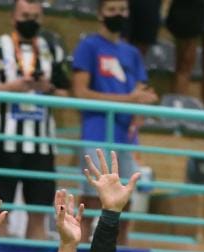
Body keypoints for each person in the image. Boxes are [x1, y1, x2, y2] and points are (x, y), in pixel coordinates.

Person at [0, 0, 70, 241]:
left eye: (35, 17)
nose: (30, 21)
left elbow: (67, 94)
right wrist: (11, 88)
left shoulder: (53, 49)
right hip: (3, 141)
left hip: (42, 144)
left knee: (38, 213)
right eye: (25, 16)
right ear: (13, 17)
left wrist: (48, 88)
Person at [71, 0, 154, 222]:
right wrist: (128, 100)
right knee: (91, 200)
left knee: (124, 202)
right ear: (100, 14)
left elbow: (141, 91)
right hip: (96, 133)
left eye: (122, 10)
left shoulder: (132, 52)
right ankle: (82, 242)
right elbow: (80, 92)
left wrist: (142, 103)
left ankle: (122, 244)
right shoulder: (88, 46)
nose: (118, 14)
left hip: (126, 138)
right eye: (112, 10)